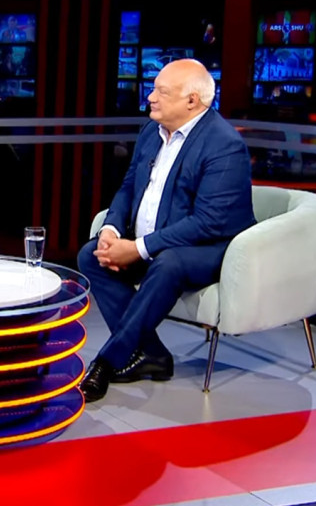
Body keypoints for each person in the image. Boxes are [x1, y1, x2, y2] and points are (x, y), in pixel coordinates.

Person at [77, 59, 256, 402]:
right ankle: (153, 355)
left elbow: (208, 222)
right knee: (91, 254)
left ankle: (106, 362)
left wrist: (138, 248)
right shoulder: (151, 132)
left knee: (169, 263)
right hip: (159, 241)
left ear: (192, 100)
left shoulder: (224, 144)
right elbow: (129, 187)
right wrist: (111, 228)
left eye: (161, 91)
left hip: (210, 248)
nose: (150, 98)